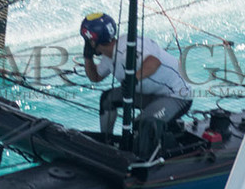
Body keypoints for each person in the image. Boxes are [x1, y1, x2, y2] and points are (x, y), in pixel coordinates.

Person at [79, 12, 192, 163]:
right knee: (107, 99)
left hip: (177, 96)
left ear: (92, 41)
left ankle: (142, 162)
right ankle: (106, 143)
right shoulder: (108, 57)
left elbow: (153, 62)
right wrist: (88, 57)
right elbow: (95, 77)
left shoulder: (127, 48)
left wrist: (134, 79)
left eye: (86, 41)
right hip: (150, 94)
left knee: (143, 122)